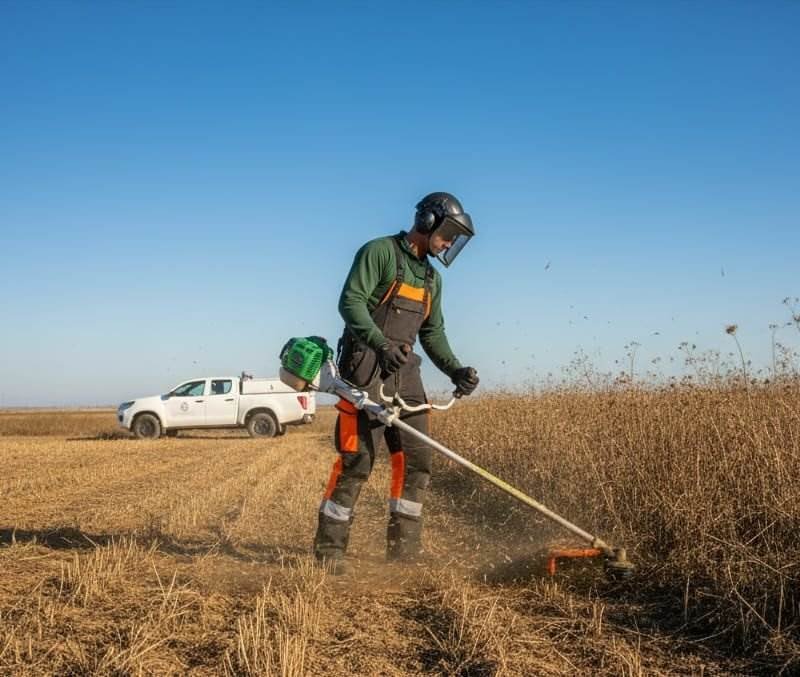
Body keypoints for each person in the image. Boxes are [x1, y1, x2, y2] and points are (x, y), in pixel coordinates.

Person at [314, 191, 480, 574]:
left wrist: (455, 370)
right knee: (359, 460)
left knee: (417, 460)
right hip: (365, 367)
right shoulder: (379, 252)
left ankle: (403, 552)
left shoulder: (431, 278)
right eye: (448, 232)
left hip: (405, 372)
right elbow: (351, 302)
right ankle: (330, 553)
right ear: (428, 221)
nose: (450, 242)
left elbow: (433, 333)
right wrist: (381, 343)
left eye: (456, 238)